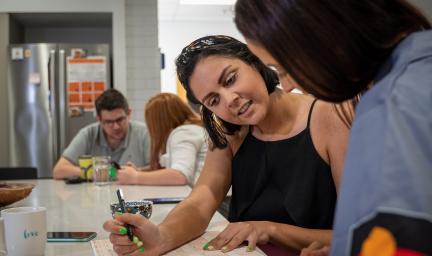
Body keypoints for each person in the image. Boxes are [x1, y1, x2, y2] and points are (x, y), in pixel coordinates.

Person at [103, 35, 350, 255]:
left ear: (254, 63)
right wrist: (161, 236)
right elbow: (202, 200)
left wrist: (270, 229)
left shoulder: (330, 115)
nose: (230, 100)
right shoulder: (229, 131)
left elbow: (357, 231)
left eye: (231, 79)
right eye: (213, 100)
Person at [234, 0, 432, 255]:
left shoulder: (390, 105)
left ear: (322, 32)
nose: (288, 84)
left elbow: (402, 242)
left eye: (285, 67)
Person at [53, 88, 150, 180]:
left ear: (129, 114)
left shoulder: (144, 133)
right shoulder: (88, 134)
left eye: (120, 119)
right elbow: (59, 170)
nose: (116, 126)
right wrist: (98, 172)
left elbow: (160, 169)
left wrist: (137, 173)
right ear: (99, 119)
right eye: (109, 122)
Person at [116, 93, 208, 186]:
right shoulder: (191, 130)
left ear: (159, 123)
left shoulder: (183, 133)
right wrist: (138, 172)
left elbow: (179, 176)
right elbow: (168, 168)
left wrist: (135, 177)